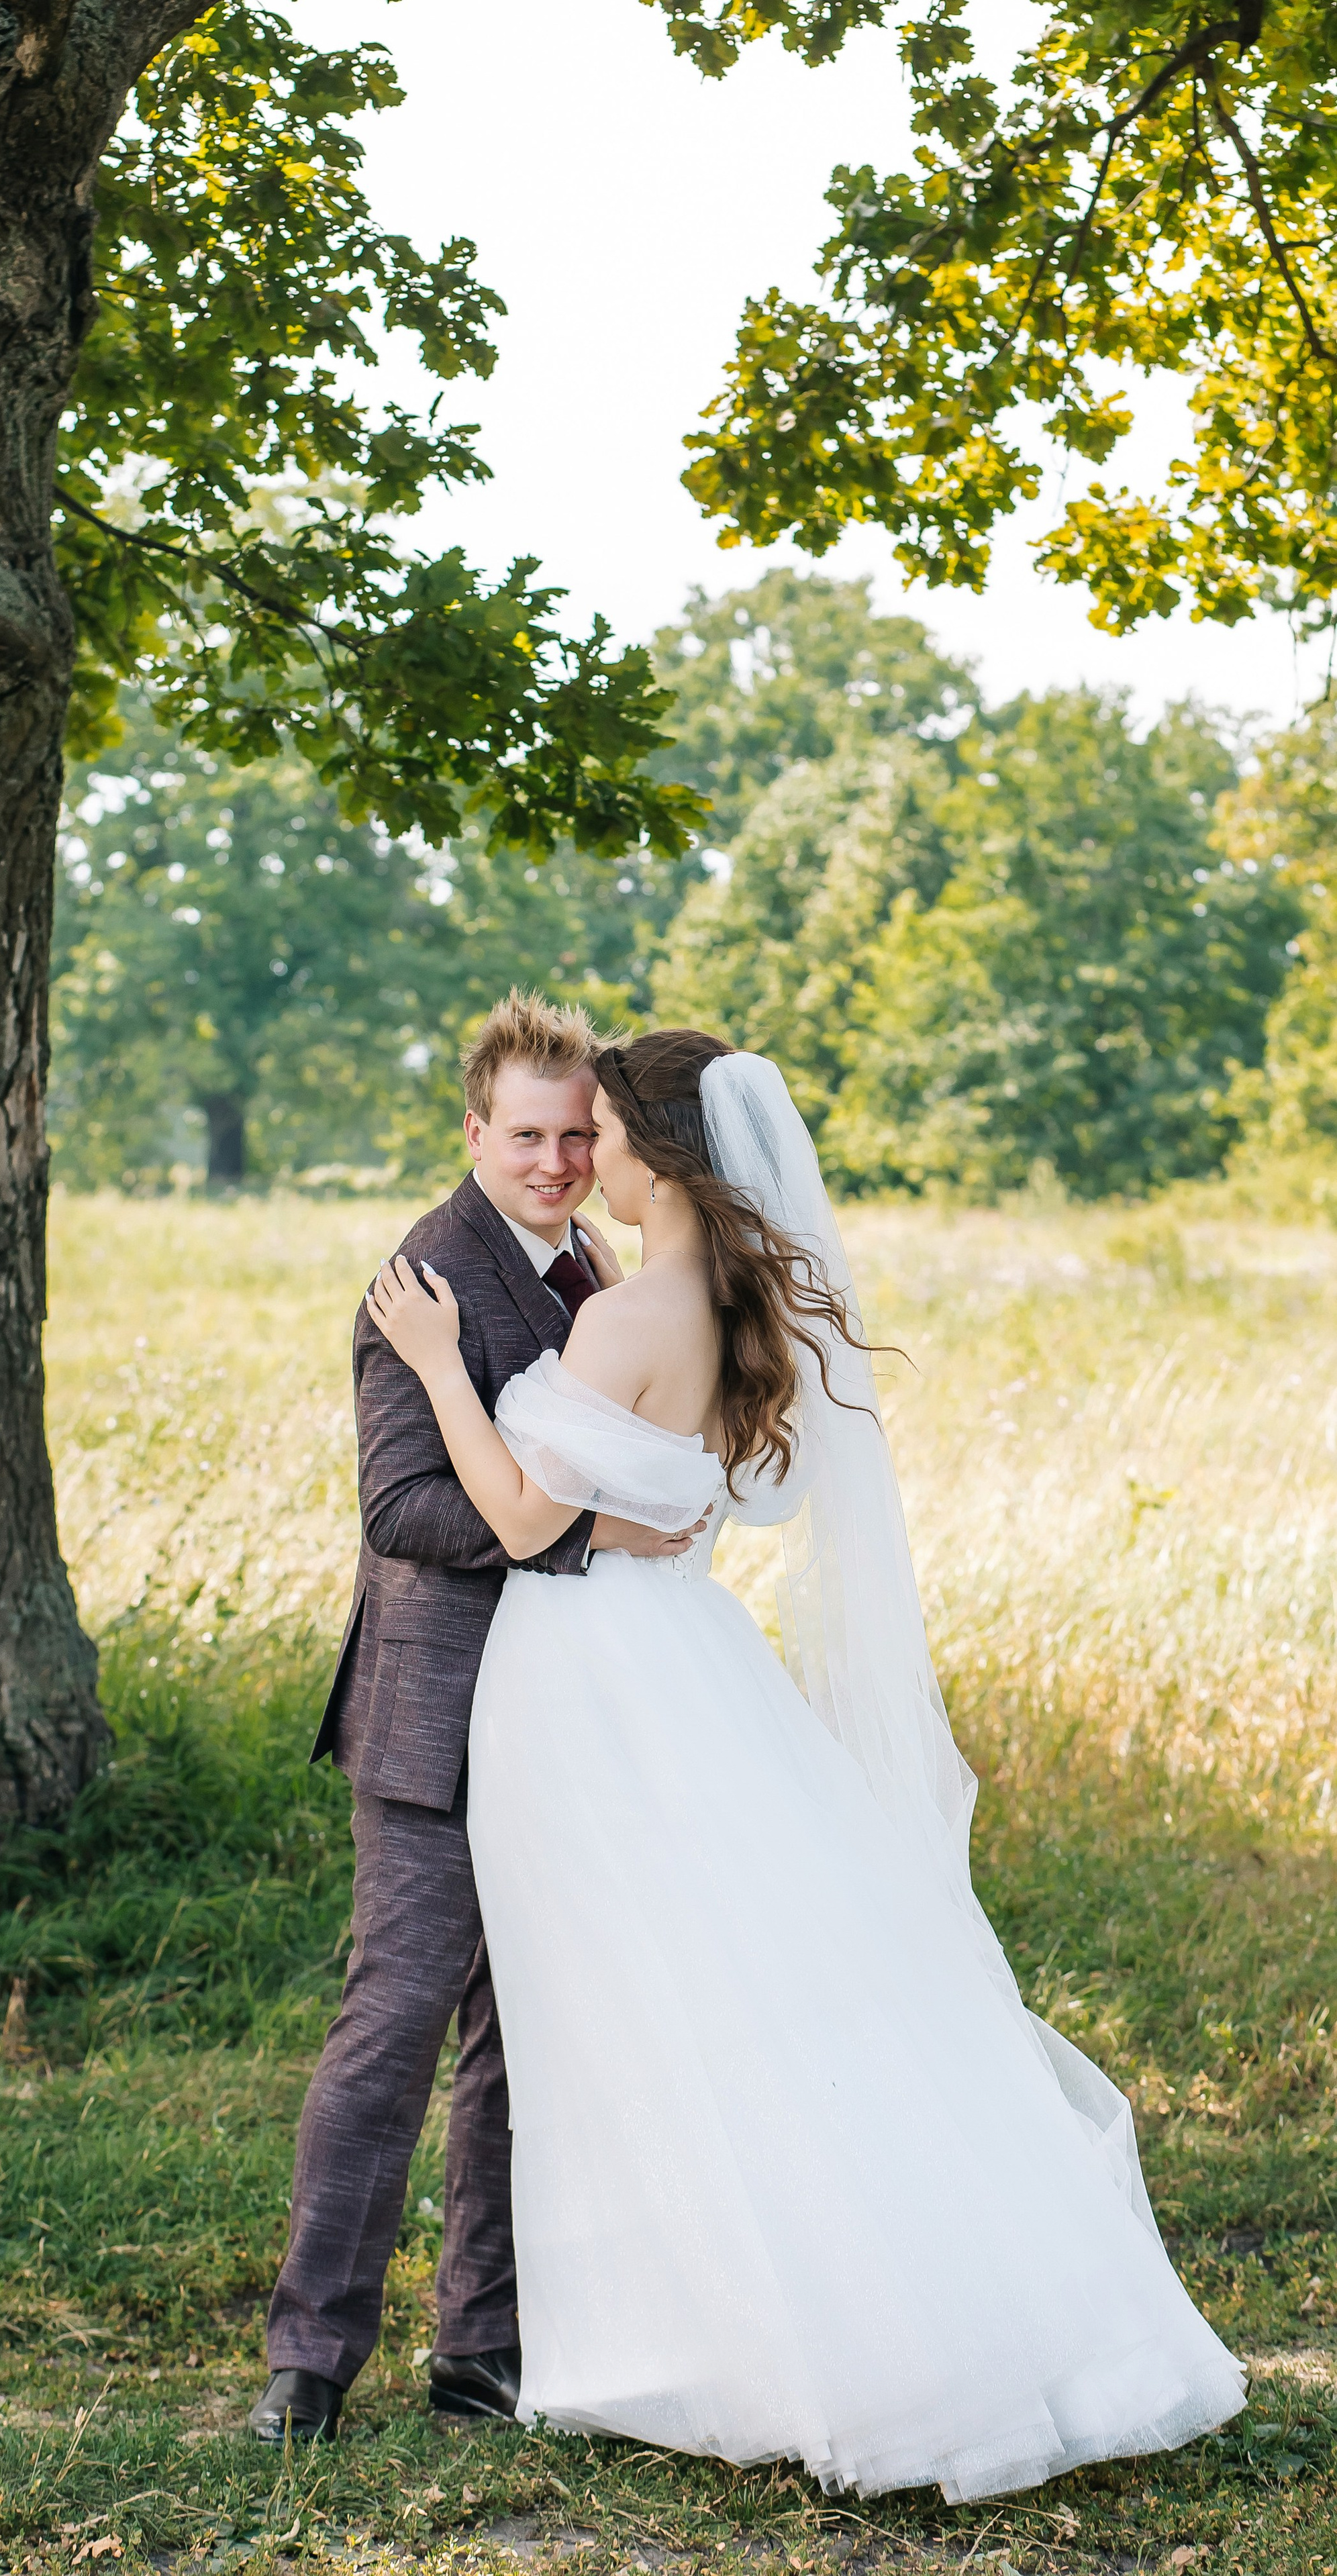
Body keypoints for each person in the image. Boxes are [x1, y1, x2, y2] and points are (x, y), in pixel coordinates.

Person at [361, 1026, 1245, 2501]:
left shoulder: (623, 1315)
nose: (584, 1159)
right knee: (710, 1991)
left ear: (659, 1157)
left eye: (602, 1136)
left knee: (623, 2002)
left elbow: (517, 1519)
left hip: (590, 1680)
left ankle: (710, 2334)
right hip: (685, 1656)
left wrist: (443, 1369)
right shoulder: (734, 1302)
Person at [248, 993, 702, 2447]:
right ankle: (308, 2366)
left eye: (578, 1136)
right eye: (527, 1137)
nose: (557, 1162)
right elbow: (401, 1508)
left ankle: (481, 2350)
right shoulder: (423, 1282)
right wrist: (586, 1536)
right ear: (473, 1131)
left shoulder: (596, 1270)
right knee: (391, 2030)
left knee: (522, 2039)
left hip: (567, 1718)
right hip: (439, 1719)